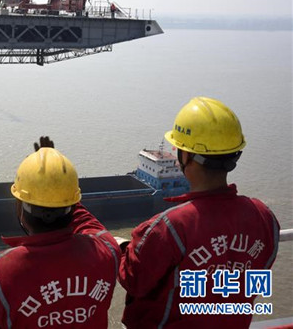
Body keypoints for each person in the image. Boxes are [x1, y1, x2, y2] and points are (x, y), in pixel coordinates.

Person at [118, 97, 280, 328]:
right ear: (234, 156)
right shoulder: (265, 218)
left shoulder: (169, 227)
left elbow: (133, 280)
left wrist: (123, 248)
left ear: (186, 156)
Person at [0, 137, 120, 328]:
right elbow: (85, 220)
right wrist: (58, 182)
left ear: (20, 208)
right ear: (72, 203)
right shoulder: (107, 250)